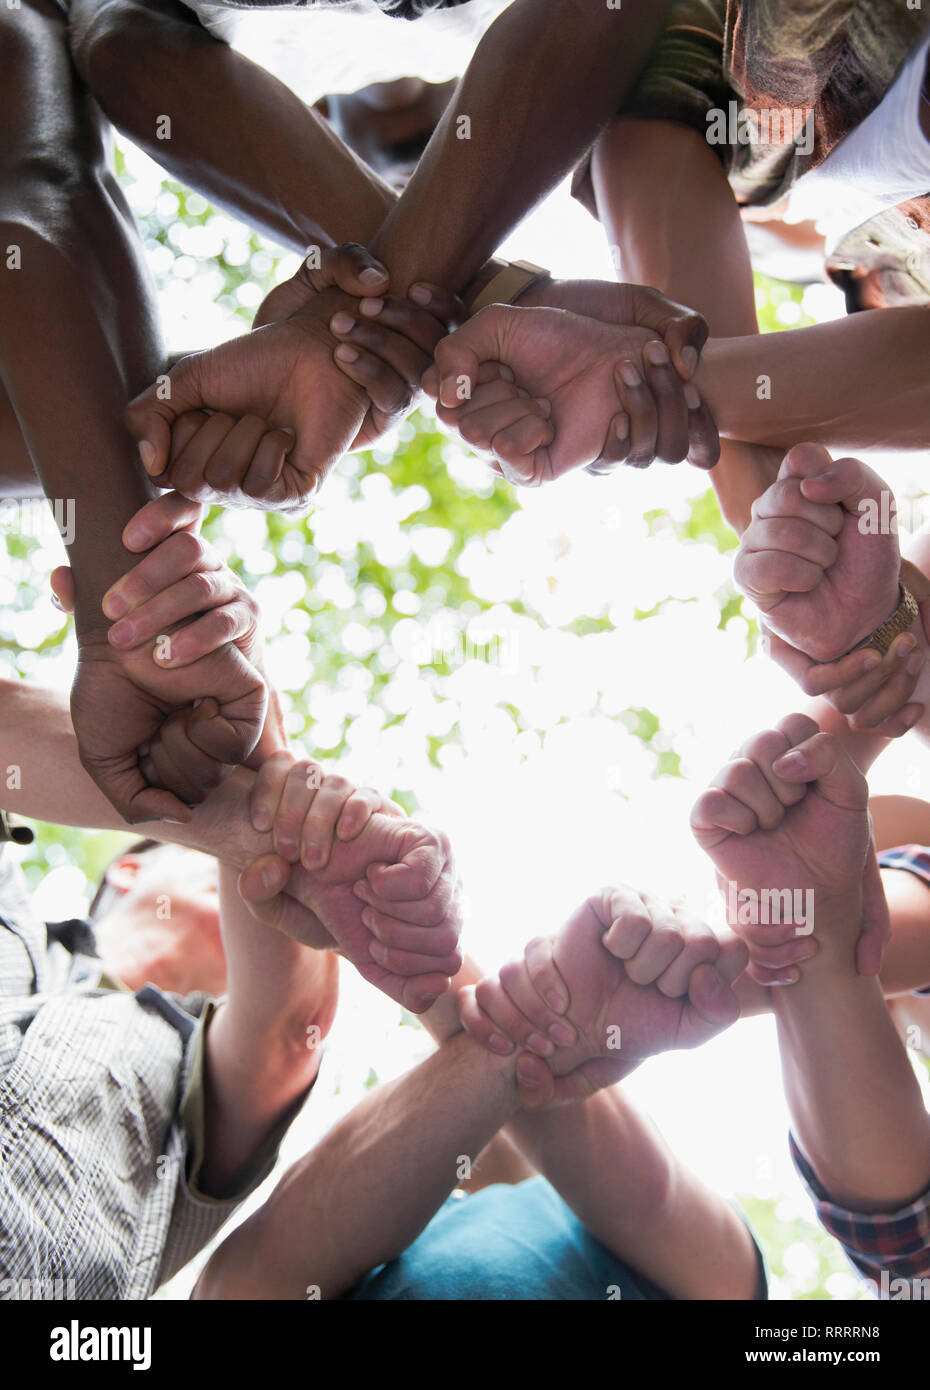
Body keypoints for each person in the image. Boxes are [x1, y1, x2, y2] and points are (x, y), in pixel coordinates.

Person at [191, 889, 767, 1301]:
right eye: (441, 1072)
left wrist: (376, 920)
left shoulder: (650, 1229)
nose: (461, 1098)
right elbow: (247, 1282)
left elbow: (652, 1201)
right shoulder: (373, 1232)